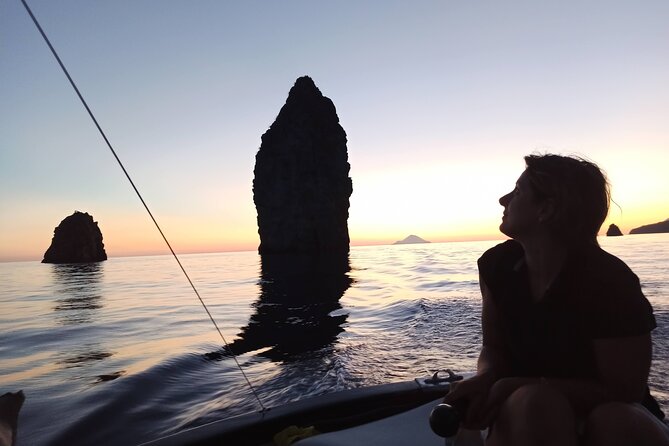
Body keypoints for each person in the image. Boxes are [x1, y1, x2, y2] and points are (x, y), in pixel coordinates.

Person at [443, 154, 669, 445]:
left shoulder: (610, 281)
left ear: (546, 209)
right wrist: (486, 377)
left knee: (608, 419)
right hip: (528, 410)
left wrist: (514, 384)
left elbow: (625, 390)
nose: (503, 199)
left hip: (611, 417)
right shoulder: (497, 266)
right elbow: (492, 347)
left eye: (518, 191)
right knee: (535, 404)